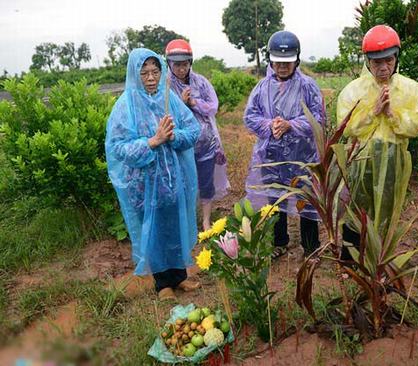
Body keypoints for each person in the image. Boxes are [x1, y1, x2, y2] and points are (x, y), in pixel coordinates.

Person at [105, 48, 201, 301]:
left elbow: (193, 128)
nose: (150, 77)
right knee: (155, 229)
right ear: (135, 75)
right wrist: (152, 141)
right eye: (144, 72)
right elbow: (118, 148)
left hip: (173, 179)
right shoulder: (125, 106)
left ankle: (179, 276)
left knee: (174, 225)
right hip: (143, 184)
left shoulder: (169, 98)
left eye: (155, 71)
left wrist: (174, 136)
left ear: (161, 72)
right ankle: (162, 284)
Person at [337, 25, 418, 260]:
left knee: (386, 210)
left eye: (388, 60)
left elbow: (415, 126)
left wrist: (391, 114)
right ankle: (349, 260)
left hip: (393, 160)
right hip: (361, 159)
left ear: (397, 58)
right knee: (356, 208)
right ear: (367, 61)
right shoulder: (352, 90)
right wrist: (373, 112)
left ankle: (378, 263)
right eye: (377, 62)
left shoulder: (410, 89)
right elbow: (346, 128)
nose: (383, 67)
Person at [244, 30, 325, 259]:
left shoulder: (308, 86)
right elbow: (250, 117)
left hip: (303, 157)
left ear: (297, 60)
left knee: (306, 201)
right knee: (274, 199)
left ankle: (310, 248)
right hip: (271, 158)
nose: (282, 66)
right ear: (270, 60)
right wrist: (270, 125)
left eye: (287, 62)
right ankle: (279, 242)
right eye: (278, 61)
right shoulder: (261, 88)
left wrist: (291, 125)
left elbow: (318, 119)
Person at [165, 39, 230, 231]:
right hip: (180, 146)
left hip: (206, 145)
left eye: (184, 64)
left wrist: (194, 103)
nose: (181, 69)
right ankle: (187, 222)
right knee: (182, 184)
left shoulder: (201, 82)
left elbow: (213, 107)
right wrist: (181, 105)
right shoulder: (166, 86)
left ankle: (206, 220)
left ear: (190, 62)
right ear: (169, 64)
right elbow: (164, 112)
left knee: (206, 182)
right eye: (176, 64)